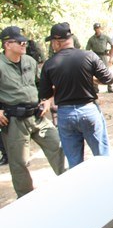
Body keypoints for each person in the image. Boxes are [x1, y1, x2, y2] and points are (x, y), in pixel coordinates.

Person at [0, 26, 65, 197]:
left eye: (24, 41)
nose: (24, 44)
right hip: (14, 120)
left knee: (58, 146)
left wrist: (47, 100)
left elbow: (42, 85)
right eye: (19, 42)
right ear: (7, 44)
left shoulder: (29, 61)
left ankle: (70, 183)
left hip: (37, 115)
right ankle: (26, 198)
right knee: (19, 163)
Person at [39, 22, 113, 168]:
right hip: (89, 110)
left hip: (65, 113)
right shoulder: (89, 56)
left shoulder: (50, 64)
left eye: (52, 42)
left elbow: (45, 94)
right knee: (102, 157)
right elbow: (108, 79)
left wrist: (59, 85)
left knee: (74, 163)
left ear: (57, 42)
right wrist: (91, 79)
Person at [86, 22, 113, 93]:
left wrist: (110, 53)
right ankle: (95, 88)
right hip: (95, 56)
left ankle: (110, 87)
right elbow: (87, 49)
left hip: (104, 56)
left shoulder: (105, 37)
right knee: (94, 71)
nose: (97, 30)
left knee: (107, 70)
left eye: (98, 28)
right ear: (94, 29)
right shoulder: (91, 39)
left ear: (100, 28)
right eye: (96, 28)